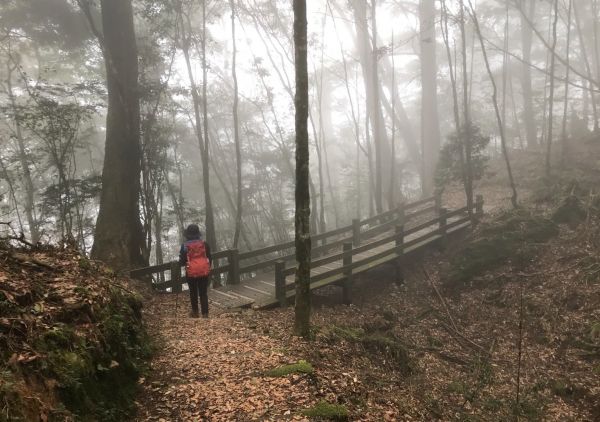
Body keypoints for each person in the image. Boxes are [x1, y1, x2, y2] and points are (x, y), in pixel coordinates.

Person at [179, 224, 212, 318]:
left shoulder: (185, 246)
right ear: (198, 233)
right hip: (203, 271)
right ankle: (205, 313)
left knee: (193, 292)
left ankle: (195, 312)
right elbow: (209, 257)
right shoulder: (204, 244)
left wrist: (180, 263)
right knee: (203, 292)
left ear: (187, 234)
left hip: (191, 272)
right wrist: (208, 267)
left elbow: (182, 261)